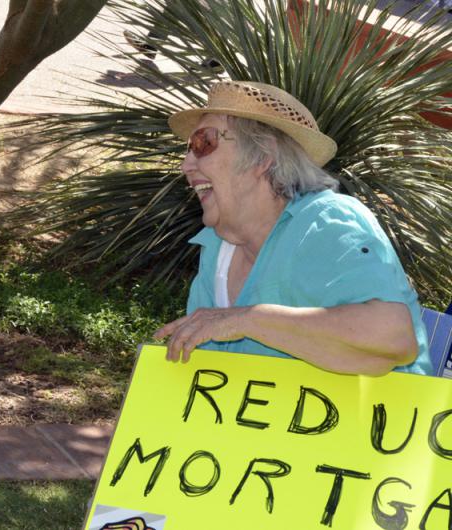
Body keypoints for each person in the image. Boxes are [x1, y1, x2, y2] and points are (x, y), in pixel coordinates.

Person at [154, 80, 431, 376]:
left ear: (262, 156)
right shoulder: (217, 247)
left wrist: (250, 320)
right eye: (189, 147)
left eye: (203, 143)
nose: (186, 164)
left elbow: (393, 337)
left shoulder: (325, 223)